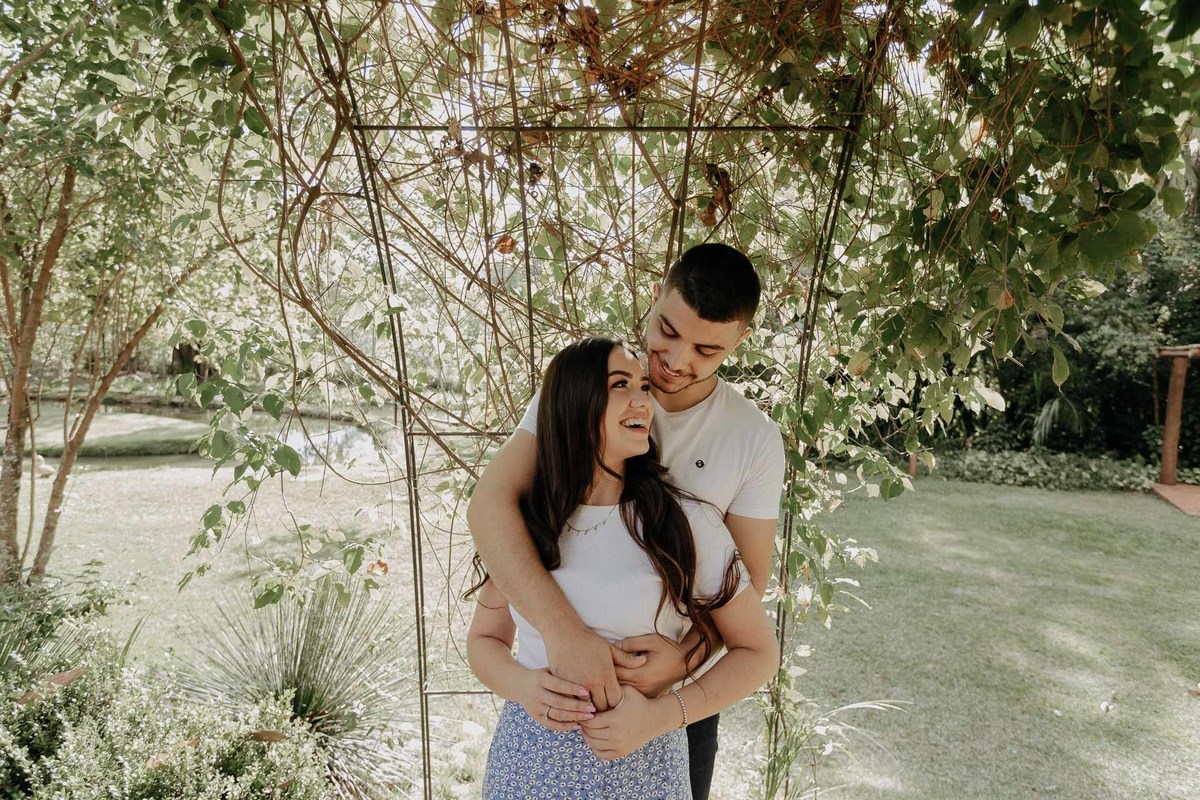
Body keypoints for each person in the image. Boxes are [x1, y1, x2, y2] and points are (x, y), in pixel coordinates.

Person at [467, 243, 786, 798]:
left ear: (740, 343)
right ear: (659, 291)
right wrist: (563, 641)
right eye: (667, 330)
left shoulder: (751, 442)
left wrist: (680, 665)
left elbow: (745, 595)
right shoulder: (585, 383)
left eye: (706, 350)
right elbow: (490, 508)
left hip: (669, 709)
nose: (674, 361)